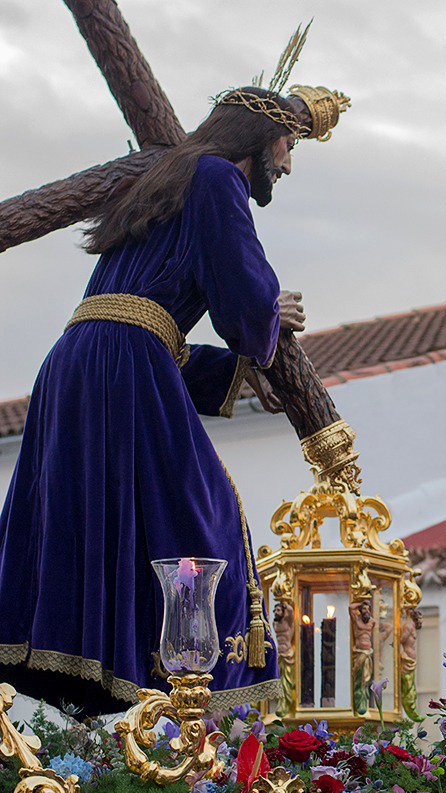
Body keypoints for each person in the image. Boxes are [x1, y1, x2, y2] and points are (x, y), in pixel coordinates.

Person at [0, 77, 345, 713]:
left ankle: (105, 662)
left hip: (78, 360)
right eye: (289, 144)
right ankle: (194, 685)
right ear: (262, 138)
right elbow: (242, 302)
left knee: (102, 519)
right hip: (124, 361)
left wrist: (240, 372)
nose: (288, 164)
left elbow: (149, 322)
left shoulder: (162, 181)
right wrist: (268, 316)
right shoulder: (218, 178)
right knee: (202, 515)